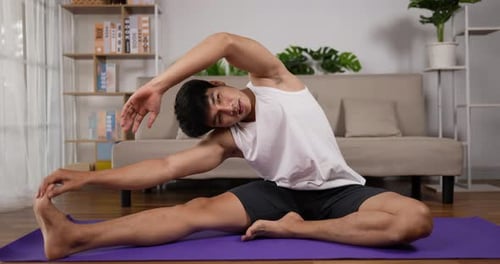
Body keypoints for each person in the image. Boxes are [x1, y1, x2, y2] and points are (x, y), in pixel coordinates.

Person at [35, 32, 433, 260]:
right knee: (194, 211)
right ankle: (75, 239)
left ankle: (298, 230)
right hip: (278, 195)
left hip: (341, 192)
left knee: (415, 221)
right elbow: (166, 168)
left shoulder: (275, 80)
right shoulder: (231, 138)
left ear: (216, 83)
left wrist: (155, 85)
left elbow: (224, 41)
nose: (229, 109)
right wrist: (87, 178)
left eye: (219, 100)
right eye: (219, 117)